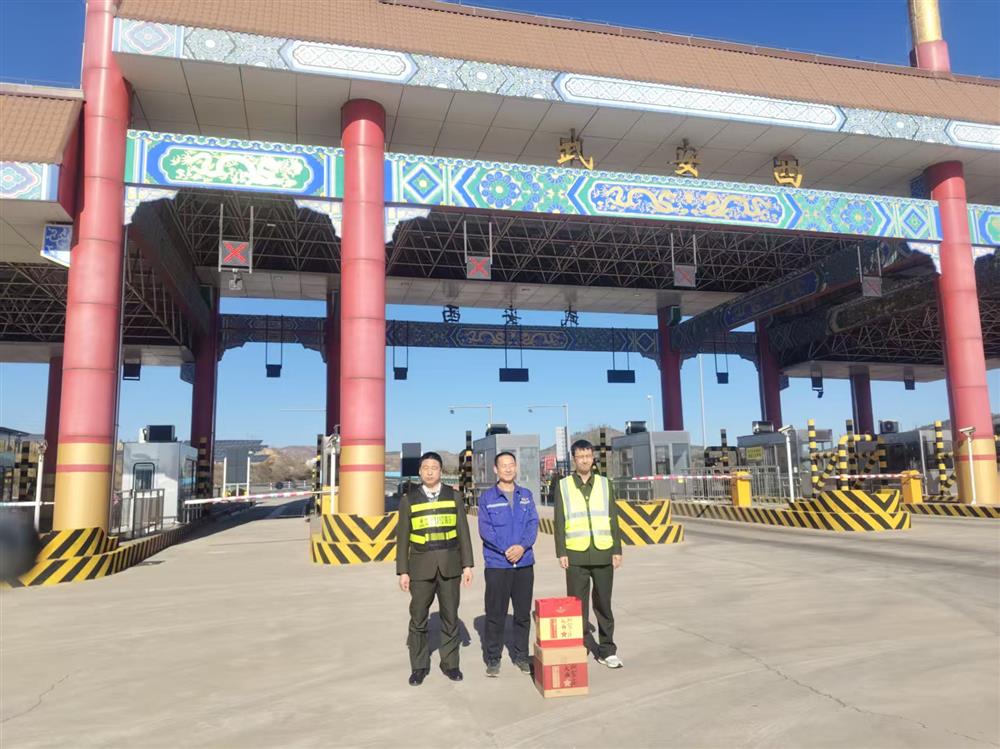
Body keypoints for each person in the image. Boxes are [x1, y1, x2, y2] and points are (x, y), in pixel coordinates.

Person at [396, 451, 474, 686]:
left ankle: (450, 664)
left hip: (450, 566)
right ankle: (419, 666)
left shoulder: (454, 496)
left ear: (441, 471)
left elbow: (463, 533)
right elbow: (403, 538)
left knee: (450, 616)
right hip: (420, 568)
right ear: (420, 472)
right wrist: (403, 571)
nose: (430, 472)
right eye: (426, 468)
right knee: (418, 617)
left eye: (434, 468)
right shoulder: (409, 500)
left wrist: (467, 565)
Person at [553, 439, 624, 669]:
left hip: (603, 551)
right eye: (580, 457)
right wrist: (561, 551)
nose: (584, 460)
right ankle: (580, 645)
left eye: (588, 456)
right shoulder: (563, 485)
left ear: (593, 458)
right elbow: (559, 520)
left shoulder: (605, 484)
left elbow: (613, 518)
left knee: (604, 603)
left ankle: (607, 650)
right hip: (575, 554)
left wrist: (617, 549)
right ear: (574, 459)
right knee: (577, 605)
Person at [477, 451, 539, 677]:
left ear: (516, 467)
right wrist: (506, 550)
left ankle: (521, 656)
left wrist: (522, 547)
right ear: (496, 469)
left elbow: (532, 524)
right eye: (503, 465)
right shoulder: (487, 498)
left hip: (524, 563)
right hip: (497, 565)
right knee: (495, 614)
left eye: (511, 464)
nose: (508, 468)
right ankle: (493, 658)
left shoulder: (526, 495)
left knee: (522, 614)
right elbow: (486, 531)